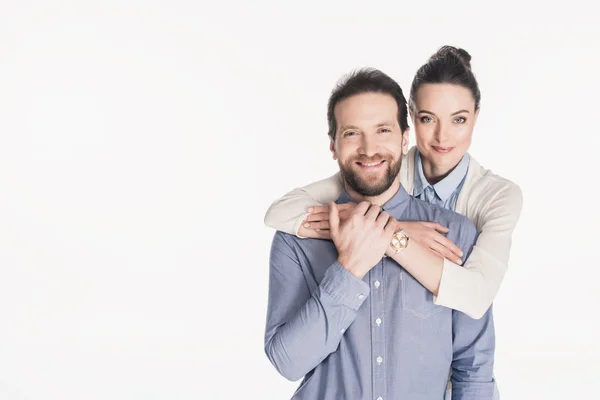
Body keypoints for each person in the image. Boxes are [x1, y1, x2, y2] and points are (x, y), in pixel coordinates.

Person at [264, 67, 495, 399]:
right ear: (333, 145)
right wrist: (349, 269)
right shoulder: (297, 239)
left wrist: (387, 234)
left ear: (404, 139)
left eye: (383, 130)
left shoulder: (455, 234)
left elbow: (473, 369)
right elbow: (288, 362)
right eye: (352, 133)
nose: (368, 148)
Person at [264, 46, 523, 322]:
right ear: (410, 118)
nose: (442, 136)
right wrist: (391, 230)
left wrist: (382, 233)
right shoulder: (384, 169)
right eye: (428, 119)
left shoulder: (498, 196)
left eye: (459, 119)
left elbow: (476, 297)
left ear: (476, 117)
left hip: (455, 348)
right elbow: (280, 213)